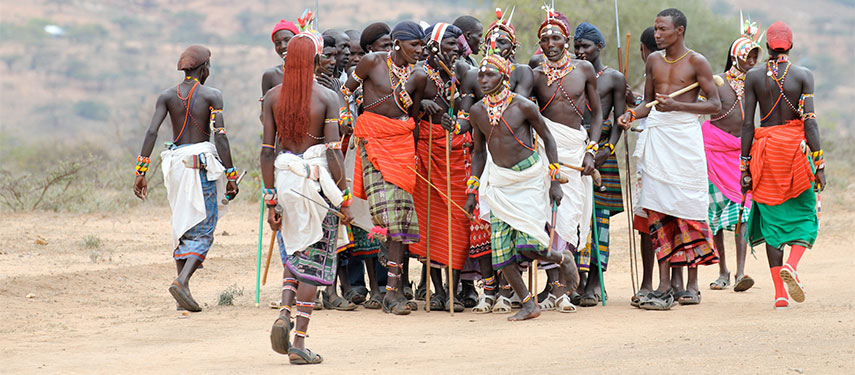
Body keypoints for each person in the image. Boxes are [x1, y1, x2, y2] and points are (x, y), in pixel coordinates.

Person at [617, 8, 721, 310]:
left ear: (680, 30)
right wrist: (630, 114)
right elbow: (648, 104)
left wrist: (677, 105)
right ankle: (663, 288)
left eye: (663, 29)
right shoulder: (653, 61)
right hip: (659, 139)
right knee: (658, 210)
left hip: (685, 140)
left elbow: (714, 104)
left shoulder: (697, 62)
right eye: (655, 29)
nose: (657, 35)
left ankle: (689, 285)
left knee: (686, 207)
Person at [465, 52, 579, 321]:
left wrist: (554, 179)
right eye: (480, 74)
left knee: (529, 246)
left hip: (528, 179)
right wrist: (472, 189)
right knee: (502, 254)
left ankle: (563, 259)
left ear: (504, 77)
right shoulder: (477, 111)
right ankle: (529, 304)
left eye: (489, 74)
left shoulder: (524, 106)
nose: (483, 79)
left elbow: (548, 139)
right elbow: (479, 153)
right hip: (500, 182)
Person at [261, 32, 352, 365]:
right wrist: (343, 197)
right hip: (316, 182)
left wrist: (271, 200)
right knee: (314, 257)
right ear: (315, 60)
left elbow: (267, 152)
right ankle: (298, 341)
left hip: (284, 181)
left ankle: (285, 309)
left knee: (295, 246)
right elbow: (332, 153)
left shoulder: (272, 97)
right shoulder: (327, 97)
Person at [133, 45, 239, 312]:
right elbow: (221, 136)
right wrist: (231, 173)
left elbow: (151, 132)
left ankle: (184, 294)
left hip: (176, 165)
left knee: (182, 223)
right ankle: (182, 280)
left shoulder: (167, 95)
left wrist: (141, 171)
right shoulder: (213, 95)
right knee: (205, 225)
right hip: (200, 164)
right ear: (204, 68)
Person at [341, 21, 425, 315]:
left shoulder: (418, 76)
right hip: (373, 144)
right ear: (398, 43)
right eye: (415, 45)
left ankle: (394, 290)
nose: (420, 51)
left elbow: (411, 119)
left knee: (401, 221)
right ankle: (392, 292)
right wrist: (343, 119)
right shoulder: (371, 62)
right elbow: (345, 91)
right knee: (387, 217)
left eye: (422, 46)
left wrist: (414, 158)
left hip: (402, 149)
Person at [740, 21, 824, 310]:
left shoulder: (752, 76)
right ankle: (793, 264)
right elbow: (810, 123)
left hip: (764, 153)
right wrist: (820, 163)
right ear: (790, 45)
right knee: (805, 214)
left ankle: (779, 294)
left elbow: (746, 124)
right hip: (794, 153)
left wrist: (744, 166)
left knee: (772, 220)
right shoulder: (803, 75)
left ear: (766, 46)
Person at [456, 10, 534, 313]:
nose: (495, 46)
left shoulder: (523, 73)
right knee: (484, 223)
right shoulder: (477, 75)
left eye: (502, 42)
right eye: (490, 41)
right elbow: (467, 113)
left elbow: (515, 108)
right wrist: (454, 121)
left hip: (516, 157)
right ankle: (488, 289)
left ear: (512, 47)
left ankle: (508, 290)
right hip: (484, 154)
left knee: (513, 222)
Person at [530, 7, 601, 313]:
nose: (550, 43)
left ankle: (562, 288)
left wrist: (591, 151)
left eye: (555, 36)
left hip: (575, 149)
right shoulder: (533, 74)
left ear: (566, 39)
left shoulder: (584, 69)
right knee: (548, 216)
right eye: (544, 38)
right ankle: (552, 287)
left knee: (569, 215)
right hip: (547, 152)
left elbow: (597, 114)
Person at [408, 22, 468, 312]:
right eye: (448, 46)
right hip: (426, 152)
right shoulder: (418, 75)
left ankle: (454, 288)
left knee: (457, 219)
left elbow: (469, 107)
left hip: (454, 152)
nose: (453, 52)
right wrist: (423, 109)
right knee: (430, 222)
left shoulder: (460, 72)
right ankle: (438, 289)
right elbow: (406, 113)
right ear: (432, 46)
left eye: (456, 47)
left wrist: (456, 119)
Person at [702, 20, 762, 293]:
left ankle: (741, 272)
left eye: (755, 56)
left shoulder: (755, 83)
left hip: (740, 156)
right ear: (737, 55)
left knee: (741, 213)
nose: (751, 60)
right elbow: (696, 99)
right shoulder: (718, 81)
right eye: (748, 55)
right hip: (713, 153)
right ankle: (722, 271)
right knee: (714, 217)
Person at [572, 22, 627, 307]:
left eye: (586, 46)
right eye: (577, 46)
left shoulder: (613, 78)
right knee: (573, 214)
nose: (580, 51)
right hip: (572, 152)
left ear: (600, 47)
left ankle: (594, 282)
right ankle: (575, 281)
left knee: (599, 219)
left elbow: (620, 119)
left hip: (602, 153)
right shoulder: (569, 74)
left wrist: (607, 148)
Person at [628, 26, 660, 307]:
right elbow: (644, 107)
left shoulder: (672, 76)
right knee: (646, 222)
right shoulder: (650, 80)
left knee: (662, 218)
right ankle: (650, 284)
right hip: (648, 159)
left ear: (643, 50)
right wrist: (631, 105)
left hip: (665, 155)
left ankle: (658, 284)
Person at [262, 20, 299, 95]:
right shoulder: (271, 75)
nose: (283, 46)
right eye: (278, 43)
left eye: (287, 40)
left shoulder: (312, 72)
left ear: (298, 41)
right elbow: (265, 105)